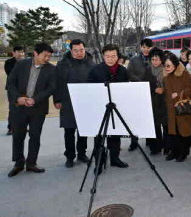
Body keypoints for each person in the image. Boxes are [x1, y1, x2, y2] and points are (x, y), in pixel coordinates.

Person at [7, 43, 56, 177]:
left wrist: (35, 99)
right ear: (35, 53)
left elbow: (51, 88)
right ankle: (18, 163)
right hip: (19, 107)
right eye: (45, 55)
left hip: (38, 109)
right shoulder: (21, 65)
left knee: (35, 136)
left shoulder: (51, 69)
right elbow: (10, 83)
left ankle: (31, 163)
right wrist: (18, 98)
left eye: (49, 56)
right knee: (18, 136)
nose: (47, 58)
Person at [87, 44, 129, 174]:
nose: (110, 59)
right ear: (103, 56)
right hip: (100, 109)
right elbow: (90, 90)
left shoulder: (123, 71)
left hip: (117, 108)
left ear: (118, 56)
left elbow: (126, 89)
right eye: (107, 56)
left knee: (115, 135)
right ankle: (99, 163)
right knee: (99, 137)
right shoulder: (95, 70)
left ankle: (115, 158)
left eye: (113, 56)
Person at [54, 39, 94, 168]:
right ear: (71, 51)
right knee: (69, 130)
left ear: (85, 49)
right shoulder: (62, 64)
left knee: (84, 130)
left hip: (86, 102)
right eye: (76, 50)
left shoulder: (91, 63)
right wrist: (57, 99)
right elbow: (57, 83)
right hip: (68, 101)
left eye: (81, 50)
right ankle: (70, 156)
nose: (79, 53)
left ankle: (82, 154)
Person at [163, 53, 191, 162]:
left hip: (182, 106)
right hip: (171, 107)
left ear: (175, 65)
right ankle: (174, 151)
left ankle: (183, 152)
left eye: (169, 66)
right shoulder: (166, 76)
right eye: (165, 65)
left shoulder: (184, 74)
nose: (166, 68)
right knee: (173, 131)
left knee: (183, 131)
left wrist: (179, 93)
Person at [126, 38, 155, 151]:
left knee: (150, 117)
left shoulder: (155, 58)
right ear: (140, 47)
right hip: (138, 91)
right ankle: (134, 141)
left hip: (152, 91)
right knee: (136, 118)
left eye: (148, 47)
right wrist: (139, 82)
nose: (146, 49)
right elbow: (129, 73)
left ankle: (151, 140)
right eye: (143, 47)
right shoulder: (134, 59)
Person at [148, 48, 168, 155]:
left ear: (161, 60)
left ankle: (167, 146)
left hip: (164, 101)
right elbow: (144, 84)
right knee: (154, 125)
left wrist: (164, 89)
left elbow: (171, 85)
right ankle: (156, 146)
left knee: (165, 125)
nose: (155, 62)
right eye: (153, 59)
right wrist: (154, 89)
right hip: (152, 100)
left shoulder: (166, 70)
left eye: (157, 59)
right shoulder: (148, 70)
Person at [4, 46, 25, 136]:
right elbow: (11, 74)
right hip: (12, 89)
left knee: (24, 108)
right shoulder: (8, 62)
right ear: (13, 53)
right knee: (13, 108)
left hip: (23, 88)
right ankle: (11, 128)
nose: (21, 54)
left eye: (22, 52)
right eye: (18, 52)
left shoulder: (26, 62)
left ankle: (22, 127)